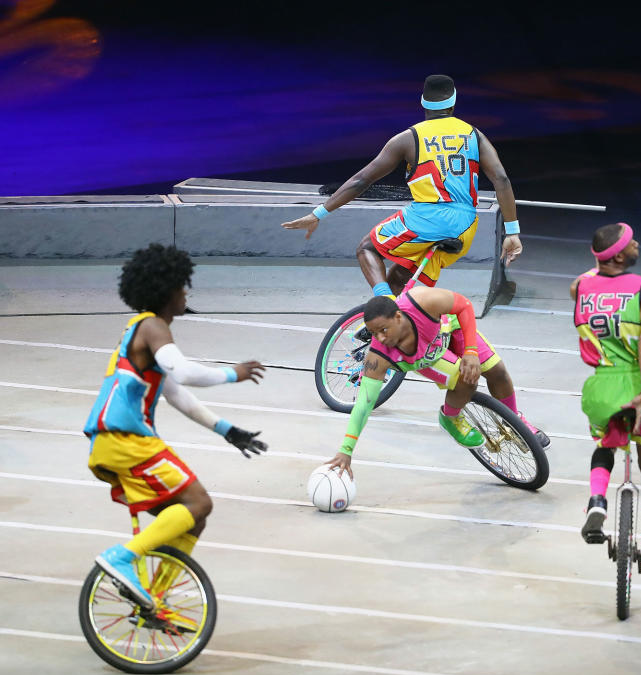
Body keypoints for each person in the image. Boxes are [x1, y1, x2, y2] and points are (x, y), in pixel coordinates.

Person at [84, 244, 268, 610]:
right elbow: (183, 372)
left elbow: (175, 393)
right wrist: (234, 373)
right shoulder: (152, 326)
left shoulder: (139, 330)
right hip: (127, 441)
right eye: (183, 286)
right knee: (199, 501)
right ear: (167, 289)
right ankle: (123, 558)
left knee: (192, 520)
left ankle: (152, 599)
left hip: (112, 443)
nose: (186, 293)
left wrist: (227, 430)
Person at [282, 74, 523, 295]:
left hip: (427, 218)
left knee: (367, 248)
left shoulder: (408, 138)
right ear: (453, 102)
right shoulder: (474, 134)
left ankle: (383, 307)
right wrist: (512, 232)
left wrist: (318, 213)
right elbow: (501, 179)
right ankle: (384, 332)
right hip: (465, 225)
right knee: (399, 276)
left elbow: (362, 180)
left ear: (423, 103)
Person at [325, 286, 548, 478]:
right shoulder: (378, 357)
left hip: (451, 330)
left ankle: (515, 421)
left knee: (498, 372)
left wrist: (470, 351)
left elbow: (464, 305)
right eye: (374, 333)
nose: (381, 338)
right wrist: (346, 449)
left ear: (399, 317)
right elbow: (364, 405)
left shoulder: (421, 300)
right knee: (467, 379)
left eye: (384, 330)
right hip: (428, 357)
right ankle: (451, 417)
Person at [570, 223, 641, 571]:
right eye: (631, 243)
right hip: (636, 382)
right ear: (619, 255)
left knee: (605, 446)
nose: (637, 244)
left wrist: (598, 262)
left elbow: (584, 280)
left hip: (602, 387)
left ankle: (597, 499)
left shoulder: (580, 286)